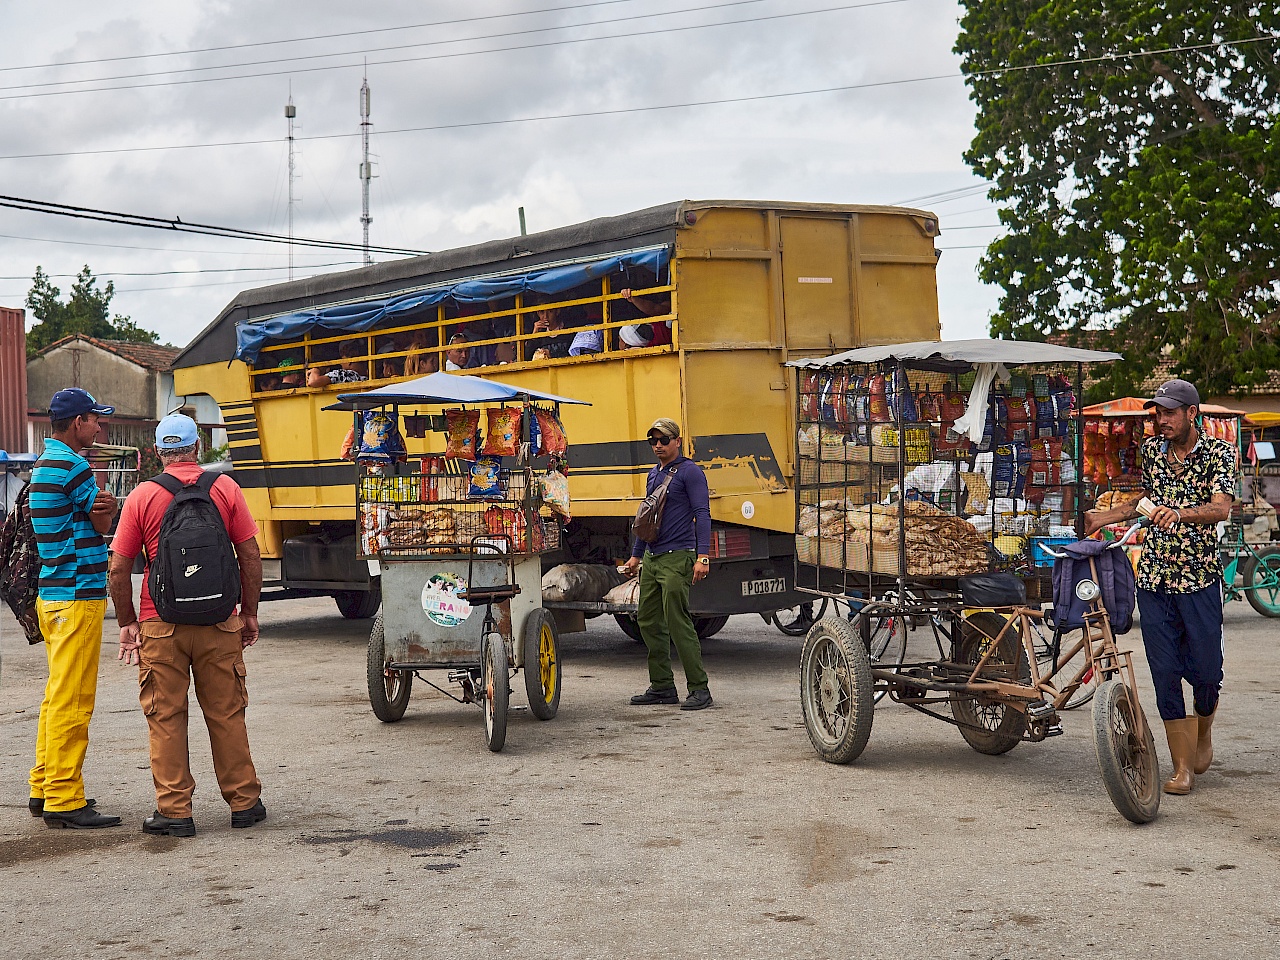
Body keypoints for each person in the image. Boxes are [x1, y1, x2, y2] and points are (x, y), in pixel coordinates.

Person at [108, 414, 266, 837]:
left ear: (158, 452)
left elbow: (119, 567)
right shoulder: (225, 487)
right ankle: (245, 803)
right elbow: (250, 556)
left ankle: (175, 813)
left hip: (159, 624)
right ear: (197, 447)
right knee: (227, 712)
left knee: (166, 717)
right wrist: (248, 612)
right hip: (219, 621)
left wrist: (127, 622)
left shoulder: (143, 496)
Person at [1085, 379, 1236, 795]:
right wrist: (1104, 517)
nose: (1161, 420)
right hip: (1153, 579)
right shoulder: (1153, 452)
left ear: (1191, 414)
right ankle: (1182, 767)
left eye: (1169, 413)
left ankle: (1203, 731)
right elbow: (1146, 501)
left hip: (1199, 579)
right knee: (1165, 672)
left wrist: (1181, 514)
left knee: (1207, 673)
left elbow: (1222, 507)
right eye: (1158, 413)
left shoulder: (1219, 453)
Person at [28, 388, 121, 829]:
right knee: (73, 701)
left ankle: (43, 784)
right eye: (94, 419)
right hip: (77, 593)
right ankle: (64, 799)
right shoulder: (75, 465)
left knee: (55, 696)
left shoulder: (45, 463)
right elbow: (102, 520)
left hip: (52, 593)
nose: (99, 427)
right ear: (77, 423)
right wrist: (111, 506)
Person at [622, 418, 714, 710]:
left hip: (679, 556)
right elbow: (646, 519)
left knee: (678, 622)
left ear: (677, 441)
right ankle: (662, 686)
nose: (658, 445)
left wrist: (702, 556)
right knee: (648, 620)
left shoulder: (691, 472)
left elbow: (703, 513)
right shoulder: (653, 474)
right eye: (653, 441)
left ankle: (700, 689)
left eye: (663, 440)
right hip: (652, 557)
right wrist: (637, 554)